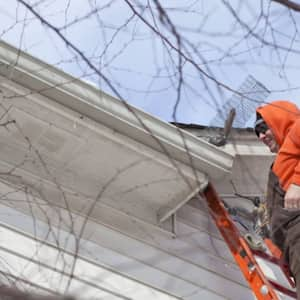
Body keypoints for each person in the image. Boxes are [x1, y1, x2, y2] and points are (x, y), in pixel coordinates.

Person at [254, 100, 300, 298]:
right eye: (258, 133)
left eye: (264, 128)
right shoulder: (281, 161)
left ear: (280, 119)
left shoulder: (296, 130)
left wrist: (298, 182)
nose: (261, 137)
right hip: (292, 245)